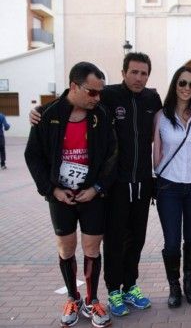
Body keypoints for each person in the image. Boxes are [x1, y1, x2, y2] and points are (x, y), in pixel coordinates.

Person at [30, 52, 162, 316]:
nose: (139, 78)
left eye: (144, 73)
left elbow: (173, 112)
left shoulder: (152, 98)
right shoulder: (109, 95)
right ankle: (113, 290)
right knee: (113, 240)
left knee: (136, 239)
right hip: (114, 185)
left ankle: (130, 287)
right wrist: (39, 111)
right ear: (123, 72)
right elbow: (68, 103)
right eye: (134, 72)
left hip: (142, 181)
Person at [25, 62, 116, 328]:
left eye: (100, 92)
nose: (97, 98)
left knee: (91, 248)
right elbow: (33, 156)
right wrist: (51, 189)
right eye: (92, 92)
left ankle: (92, 299)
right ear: (74, 86)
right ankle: (73, 298)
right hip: (60, 196)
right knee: (66, 249)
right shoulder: (47, 114)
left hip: (91, 196)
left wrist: (97, 188)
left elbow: (112, 155)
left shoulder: (101, 114)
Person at [153, 66, 191, 308]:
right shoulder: (160, 116)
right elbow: (153, 148)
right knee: (172, 241)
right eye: (182, 83)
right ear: (175, 85)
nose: (187, 88)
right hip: (169, 187)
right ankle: (174, 286)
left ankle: (189, 284)